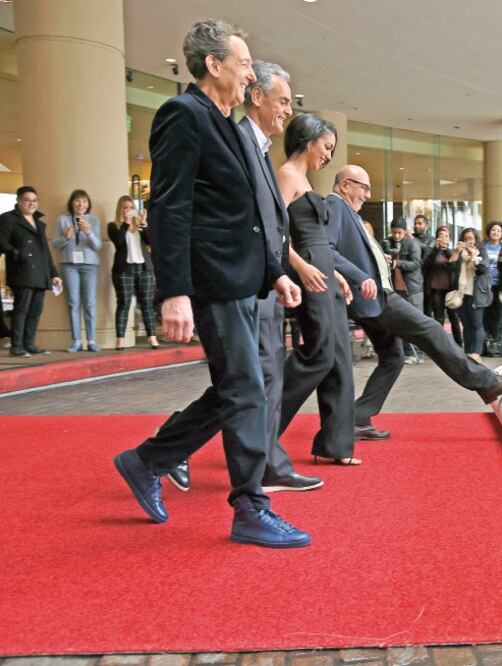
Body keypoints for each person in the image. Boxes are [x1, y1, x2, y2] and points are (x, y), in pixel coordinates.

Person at [111, 19, 309, 549]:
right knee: (246, 388)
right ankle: (250, 507)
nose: (250, 74)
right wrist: (173, 291)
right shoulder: (184, 114)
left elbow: (244, 215)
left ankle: (148, 460)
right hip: (211, 281)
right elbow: (170, 207)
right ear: (214, 65)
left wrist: (275, 273)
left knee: (235, 388)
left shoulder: (225, 122)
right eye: (243, 64)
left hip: (241, 280)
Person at [320, 164, 502, 439]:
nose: (367, 195)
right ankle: (486, 383)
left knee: (393, 358)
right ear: (345, 184)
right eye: (364, 188)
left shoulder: (347, 211)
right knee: (431, 329)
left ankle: (357, 419)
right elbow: (326, 250)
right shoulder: (335, 205)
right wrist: (361, 276)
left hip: (372, 298)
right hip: (375, 296)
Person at [275, 113, 358, 467]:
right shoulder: (285, 175)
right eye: (326, 146)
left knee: (340, 355)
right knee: (319, 353)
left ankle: (336, 445)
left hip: (323, 270)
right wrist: (300, 266)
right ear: (307, 139)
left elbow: (320, 240)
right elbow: (275, 232)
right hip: (307, 270)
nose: (328, 155)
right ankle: (260, 428)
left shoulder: (305, 179)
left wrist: (335, 272)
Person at [0, 186, 62, 357]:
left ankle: (29, 344)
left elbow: (45, 251)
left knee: (35, 310)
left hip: (40, 273)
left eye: (34, 200)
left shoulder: (38, 222)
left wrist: (54, 274)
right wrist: (16, 253)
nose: (31, 203)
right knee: (21, 310)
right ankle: (16, 346)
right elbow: (1, 241)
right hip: (22, 271)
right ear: (19, 201)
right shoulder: (8, 219)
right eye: (27, 200)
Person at [107, 196, 159, 350]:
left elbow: (150, 241)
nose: (128, 210)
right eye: (125, 207)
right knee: (124, 303)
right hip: (124, 269)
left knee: (147, 304)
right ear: (120, 209)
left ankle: (152, 337)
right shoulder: (114, 226)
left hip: (144, 268)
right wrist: (125, 223)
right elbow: (118, 242)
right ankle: (120, 339)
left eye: (131, 207)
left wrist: (143, 223)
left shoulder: (140, 225)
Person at [54, 189, 103, 352]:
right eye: (77, 200)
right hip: (69, 264)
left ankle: (91, 340)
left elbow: (98, 246)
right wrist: (66, 237)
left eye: (84, 201)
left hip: (89, 265)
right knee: (73, 302)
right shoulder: (62, 219)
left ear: (88, 204)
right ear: (72, 202)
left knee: (89, 303)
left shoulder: (94, 220)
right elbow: (55, 244)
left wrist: (89, 233)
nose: (80, 204)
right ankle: (76, 340)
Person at [386, 217, 425, 364]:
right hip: (396, 288)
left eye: (399, 233)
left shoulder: (412, 244)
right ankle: (405, 352)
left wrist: (397, 263)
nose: (396, 236)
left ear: (405, 231)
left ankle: (418, 354)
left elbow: (416, 264)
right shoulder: (388, 243)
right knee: (400, 322)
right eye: (394, 232)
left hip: (412, 289)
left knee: (415, 321)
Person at [450, 227, 491, 360]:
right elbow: (450, 268)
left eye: (471, 238)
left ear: (476, 240)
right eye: (466, 239)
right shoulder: (460, 254)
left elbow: (484, 269)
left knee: (476, 324)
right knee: (466, 325)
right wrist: (457, 251)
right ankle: (468, 352)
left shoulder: (481, 252)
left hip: (477, 294)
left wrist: (474, 256)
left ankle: (477, 352)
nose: (469, 241)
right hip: (462, 294)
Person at [424, 225, 463, 346]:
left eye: (446, 236)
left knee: (454, 317)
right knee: (439, 318)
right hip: (436, 289)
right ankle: (440, 345)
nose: (443, 238)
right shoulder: (431, 251)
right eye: (441, 235)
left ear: (449, 239)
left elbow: (455, 267)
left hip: (450, 290)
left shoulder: (452, 252)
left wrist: (448, 250)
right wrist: (436, 249)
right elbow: (426, 265)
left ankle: (458, 344)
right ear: (436, 238)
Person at [481, 220, 502, 349]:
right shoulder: (482, 246)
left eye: (498, 231)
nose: (496, 232)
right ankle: (487, 340)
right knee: (485, 313)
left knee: (498, 313)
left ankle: (498, 340)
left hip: (498, 285)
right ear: (489, 232)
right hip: (484, 285)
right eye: (493, 230)